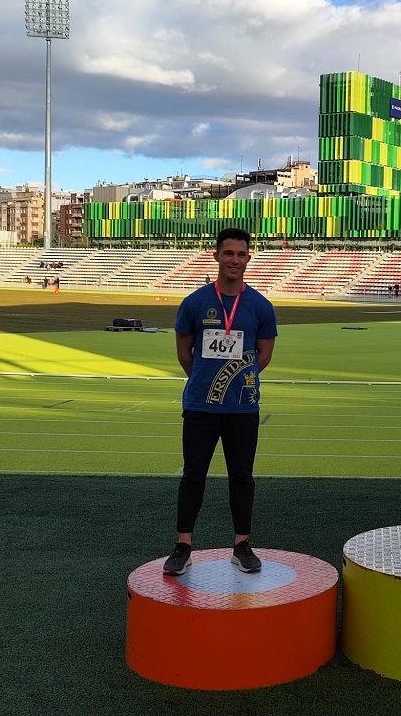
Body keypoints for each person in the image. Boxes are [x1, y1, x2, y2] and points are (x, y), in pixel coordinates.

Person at [162, 228, 279, 576]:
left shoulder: (260, 306)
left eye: (241, 254)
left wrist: (234, 379)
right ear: (216, 256)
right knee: (193, 476)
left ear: (248, 258)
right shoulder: (195, 303)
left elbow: (265, 355)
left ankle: (242, 544)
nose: (235, 260)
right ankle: (183, 545)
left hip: (242, 407)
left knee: (242, 476)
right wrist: (207, 379)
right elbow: (184, 352)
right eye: (228, 253)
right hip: (200, 405)